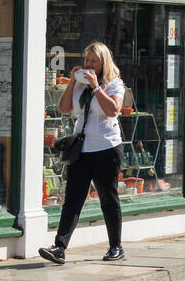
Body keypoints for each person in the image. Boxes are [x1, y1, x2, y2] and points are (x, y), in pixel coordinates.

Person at [39, 42, 127, 265]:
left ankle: (116, 246)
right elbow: (63, 108)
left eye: (93, 61)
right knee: (73, 198)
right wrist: (72, 82)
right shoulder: (80, 84)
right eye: (86, 60)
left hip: (107, 148)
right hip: (82, 149)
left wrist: (97, 87)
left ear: (103, 63)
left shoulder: (115, 84)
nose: (88, 64)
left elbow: (113, 110)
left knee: (108, 198)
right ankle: (59, 247)